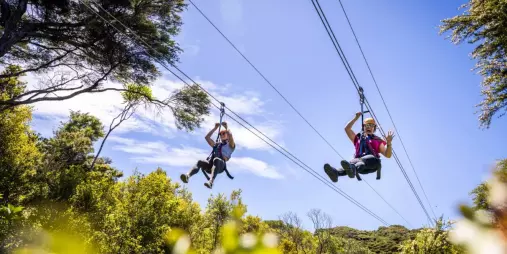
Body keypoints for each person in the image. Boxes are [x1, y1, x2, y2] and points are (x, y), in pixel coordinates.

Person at [324, 112, 394, 182]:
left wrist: (389, 143)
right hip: (361, 168)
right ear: (363, 127)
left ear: (374, 128)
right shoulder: (358, 138)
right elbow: (347, 129)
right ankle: (336, 173)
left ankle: (352, 168)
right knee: (354, 162)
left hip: (373, 163)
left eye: (371, 125)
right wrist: (356, 118)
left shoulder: (377, 140)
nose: (369, 127)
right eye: (367, 125)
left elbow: (388, 155)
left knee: (358, 161)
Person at [180, 121, 236, 189]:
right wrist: (215, 128)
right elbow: (207, 138)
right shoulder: (217, 144)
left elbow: (230, 135)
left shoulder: (231, 145)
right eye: (220, 134)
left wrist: (227, 127)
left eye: (223, 133)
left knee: (216, 159)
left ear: (227, 134)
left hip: (220, 166)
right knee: (200, 161)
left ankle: (211, 182)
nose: (221, 135)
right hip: (211, 166)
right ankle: (187, 176)